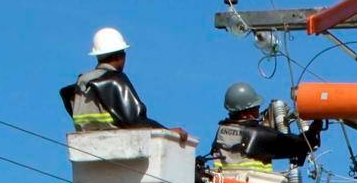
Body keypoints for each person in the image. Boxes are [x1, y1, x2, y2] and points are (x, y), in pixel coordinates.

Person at [60, 28, 188, 144]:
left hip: (87, 148)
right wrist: (168, 132)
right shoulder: (115, 80)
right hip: (117, 148)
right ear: (119, 56)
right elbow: (136, 122)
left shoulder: (81, 83)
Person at [208, 81, 323, 172]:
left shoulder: (222, 131)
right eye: (256, 106)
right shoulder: (257, 135)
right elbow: (300, 145)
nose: (258, 109)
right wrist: (314, 129)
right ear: (245, 112)